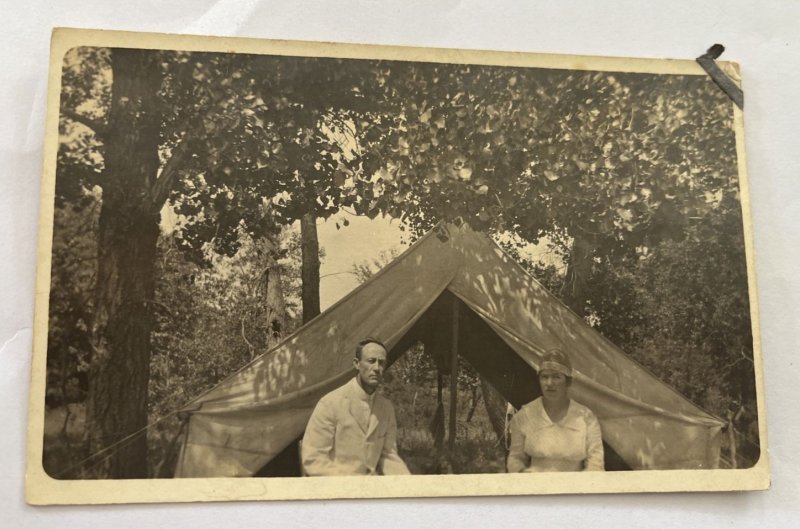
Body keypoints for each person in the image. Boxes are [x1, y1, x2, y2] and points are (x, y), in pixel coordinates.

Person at [301, 338, 410, 476]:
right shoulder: (330, 403)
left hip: (371, 489)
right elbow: (313, 459)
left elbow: (388, 456)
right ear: (357, 364)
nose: (377, 368)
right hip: (337, 489)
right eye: (371, 361)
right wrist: (352, 484)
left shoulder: (386, 408)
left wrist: (410, 485)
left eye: (381, 363)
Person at [507, 349, 605, 472]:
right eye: (544, 377)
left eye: (556, 377)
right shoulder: (525, 416)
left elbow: (596, 463)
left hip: (575, 487)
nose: (549, 383)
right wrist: (524, 476)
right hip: (537, 487)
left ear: (568, 382)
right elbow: (515, 459)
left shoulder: (586, 418)